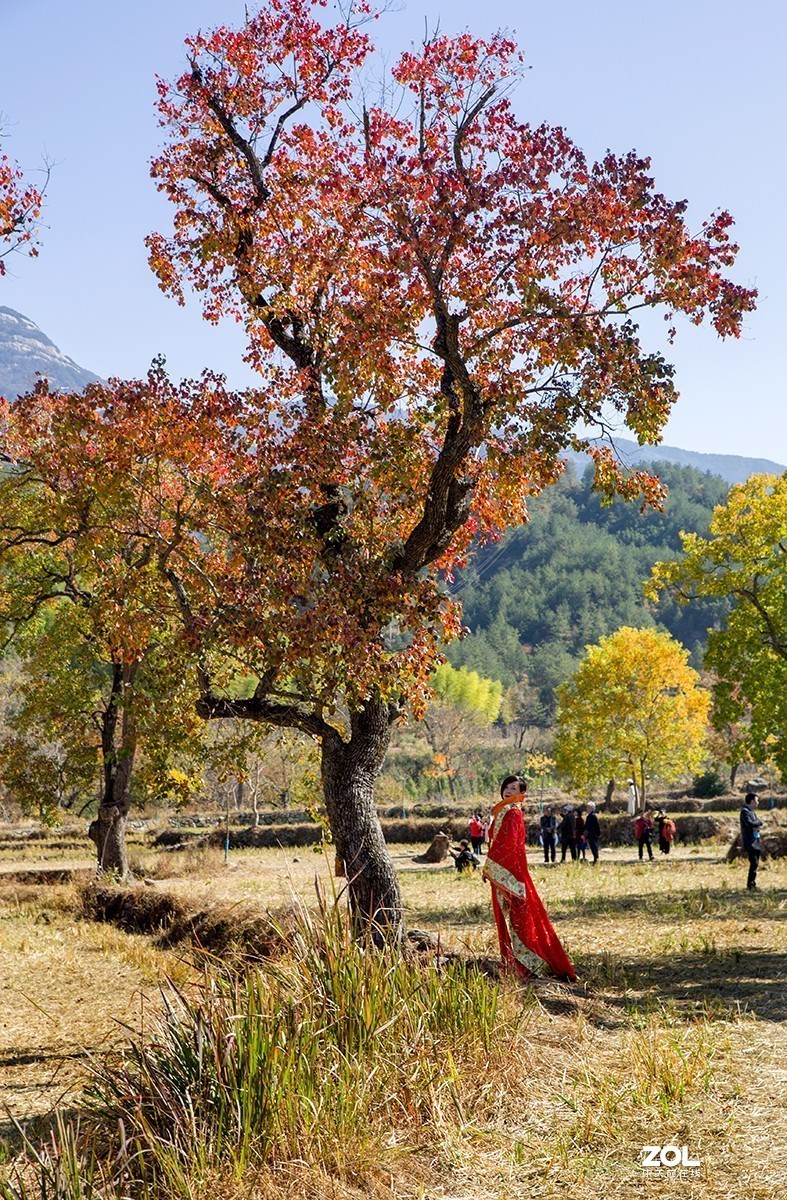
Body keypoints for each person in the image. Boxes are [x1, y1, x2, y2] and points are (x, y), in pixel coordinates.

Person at [482, 776, 576, 980]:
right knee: (512, 917)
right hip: (503, 871)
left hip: (509, 873)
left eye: (514, 788)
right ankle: (518, 963)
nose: (508, 790)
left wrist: (491, 867)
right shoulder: (503, 810)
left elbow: (508, 845)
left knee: (519, 918)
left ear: (521, 793)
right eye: (506, 786)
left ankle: (530, 964)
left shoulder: (513, 812)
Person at [740, 793, 763, 890]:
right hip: (750, 841)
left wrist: (757, 823)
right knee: (753, 862)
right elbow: (750, 823)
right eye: (757, 800)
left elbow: (756, 823)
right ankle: (750, 885)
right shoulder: (745, 812)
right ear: (752, 801)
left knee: (756, 863)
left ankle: (752, 883)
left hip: (755, 840)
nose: (758, 802)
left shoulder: (752, 812)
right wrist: (758, 823)